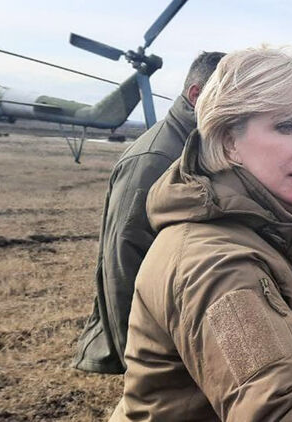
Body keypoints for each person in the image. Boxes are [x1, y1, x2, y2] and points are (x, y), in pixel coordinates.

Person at [108, 47, 292, 421]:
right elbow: (283, 406)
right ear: (229, 141)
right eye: (286, 126)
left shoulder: (276, 229)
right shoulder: (216, 263)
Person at [72, 51, 225, 374]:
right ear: (196, 95)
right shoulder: (156, 157)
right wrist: (139, 362)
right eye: (228, 98)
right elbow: (123, 261)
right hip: (155, 341)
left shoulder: (200, 145)